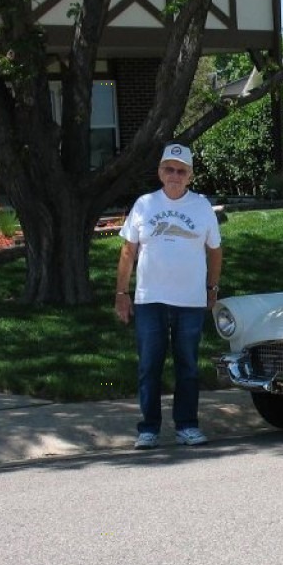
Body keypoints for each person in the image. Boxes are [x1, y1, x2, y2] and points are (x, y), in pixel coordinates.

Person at [114, 143, 223, 449]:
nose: (174, 175)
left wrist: (212, 289)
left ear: (190, 176)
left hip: (190, 301)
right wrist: (122, 293)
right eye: (169, 169)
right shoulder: (145, 204)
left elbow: (215, 251)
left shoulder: (201, 206)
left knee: (187, 365)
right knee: (149, 365)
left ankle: (187, 425)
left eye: (181, 170)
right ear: (160, 172)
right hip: (150, 299)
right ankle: (148, 429)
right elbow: (128, 251)